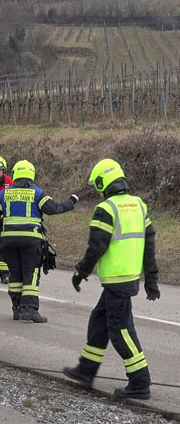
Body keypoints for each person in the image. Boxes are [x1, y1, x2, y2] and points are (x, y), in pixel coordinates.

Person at [63, 159, 159, 400]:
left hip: (117, 279)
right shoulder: (139, 205)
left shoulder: (106, 208)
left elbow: (96, 246)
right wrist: (151, 278)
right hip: (128, 278)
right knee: (99, 322)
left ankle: (140, 382)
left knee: (120, 330)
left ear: (102, 183)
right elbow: (150, 243)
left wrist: (81, 272)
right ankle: (86, 370)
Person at [0, 160, 78, 322]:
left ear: (15, 175)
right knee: (31, 273)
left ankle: (17, 309)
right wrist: (72, 201)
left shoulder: (4, 194)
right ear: (32, 175)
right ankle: (30, 309)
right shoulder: (38, 193)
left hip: (8, 242)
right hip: (31, 240)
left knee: (15, 273)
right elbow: (54, 209)